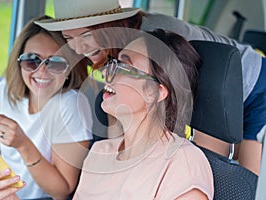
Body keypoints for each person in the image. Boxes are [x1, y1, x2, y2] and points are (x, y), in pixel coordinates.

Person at [35, 0, 266, 175]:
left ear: (109, 25)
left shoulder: (155, 40)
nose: (77, 48)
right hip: (202, 93)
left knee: (244, 177)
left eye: (86, 34)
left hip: (254, 85)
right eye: (68, 38)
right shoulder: (114, 51)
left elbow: (177, 104)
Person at [73, 29, 214, 199]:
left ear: (155, 92)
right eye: (114, 63)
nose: (105, 73)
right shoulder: (100, 152)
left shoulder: (183, 162)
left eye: (124, 67)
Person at [0, 15, 93, 200]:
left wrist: (23, 144)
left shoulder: (71, 106)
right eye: (31, 60)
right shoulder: (4, 91)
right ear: (18, 61)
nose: (42, 71)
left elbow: (62, 190)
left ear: (69, 69)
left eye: (56, 63)